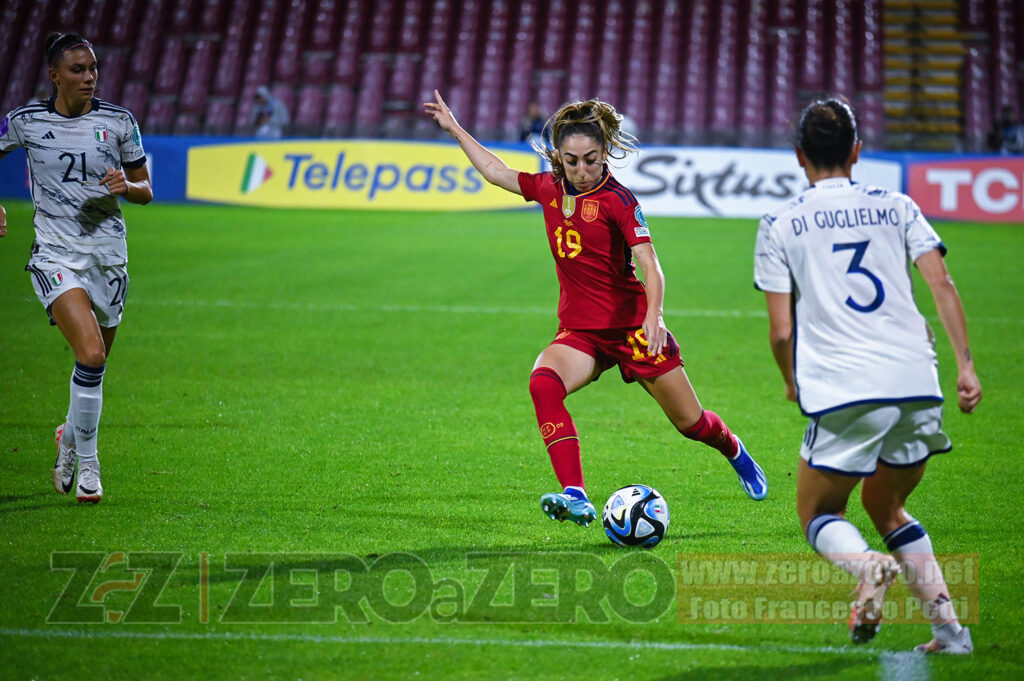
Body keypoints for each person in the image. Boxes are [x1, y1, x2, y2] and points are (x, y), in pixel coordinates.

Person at [425, 90, 767, 527]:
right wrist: (455, 129)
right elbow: (496, 171)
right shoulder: (548, 188)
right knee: (543, 385)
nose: (582, 170)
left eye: (590, 159)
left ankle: (733, 449)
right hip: (582, 333)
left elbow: (650, 264)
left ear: (605, 152)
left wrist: (654, 315)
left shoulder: (619, 201)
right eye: (571, 160)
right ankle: (576, 494)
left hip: (633, 329)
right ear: (558, 157)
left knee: (691, 423)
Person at [754, 98, 981, 653]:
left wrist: (791, 381)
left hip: (846, 387)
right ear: (857, 151)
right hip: (917, 382)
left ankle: (868, 567)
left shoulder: (780, 222)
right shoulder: (898, 205)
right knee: (887, 506)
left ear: (798, 156)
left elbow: (781, 332)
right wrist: (967, 367)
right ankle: (950, 633)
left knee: (818, 511)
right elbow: (942, 283)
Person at [0, 32, 153, 503]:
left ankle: (69, 436)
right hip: (55, 252)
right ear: (54, 75)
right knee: (90, 354)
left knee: (96, 362)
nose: (89, 77)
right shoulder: (24, 122)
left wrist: (125, 185)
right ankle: (87, 462)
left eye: (92, 69)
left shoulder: (119, 122)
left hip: (108, 254)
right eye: (77, 70)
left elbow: (146, 188)